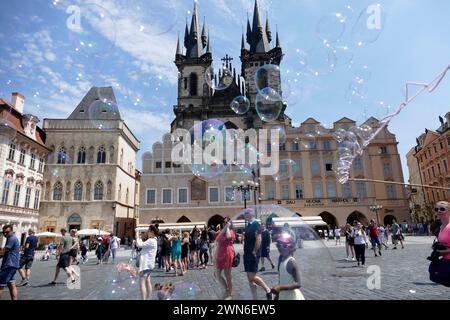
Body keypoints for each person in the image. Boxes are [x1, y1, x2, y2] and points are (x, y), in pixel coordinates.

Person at [243, 209, 273, 300]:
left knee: (252, 276)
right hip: (247, 253)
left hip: (253, 254)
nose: (244, 215)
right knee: (249, 278)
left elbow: (258, 238)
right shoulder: (248, 225)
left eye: (246, 213)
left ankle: (268, 289)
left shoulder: (256, 224)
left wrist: (255, 251)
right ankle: (255, 298)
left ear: (250, 214)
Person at [270, 231, 305, 300]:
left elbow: (298, 283)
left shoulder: (291, 262)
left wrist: (280, 287)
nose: (281, 248)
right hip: (283, 295)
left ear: (291, 247)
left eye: (284, 246)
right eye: (279, 245)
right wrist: (277, 295)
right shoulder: (281, 260)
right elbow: (281, 280)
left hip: (292, 296)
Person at [214, 217, 235, 300]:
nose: (224, 223)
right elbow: (217, 239)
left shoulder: (231, 232)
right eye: (223, 222)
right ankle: (226, 288)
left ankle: (230, 293)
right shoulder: (219, 232)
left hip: (227, 254)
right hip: (219, 254)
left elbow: (229, 237)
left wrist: (227, 228)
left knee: (228, 275)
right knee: (217, 274)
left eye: (227, 222)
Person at [136, 225, 158, 300]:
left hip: (146, 265)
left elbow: (139, 245)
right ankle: (149, 298)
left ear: (152, 232)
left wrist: (137, 237)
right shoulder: (154, 240)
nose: (147, 232)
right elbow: (143, 245)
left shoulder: (151, 240)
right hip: (149, 265)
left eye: (148, 231)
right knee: (148, 281)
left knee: (142, 283)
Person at [0, 225, 20, 300]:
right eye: (3, 232)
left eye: (7, 232)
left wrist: (2, 251)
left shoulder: (11, 238)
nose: (5, 234)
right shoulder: (12, 238)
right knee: (11, 284)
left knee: (0, 285)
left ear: (12, 231)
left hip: (9, 264)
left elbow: (3, 252)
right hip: (13, 264)